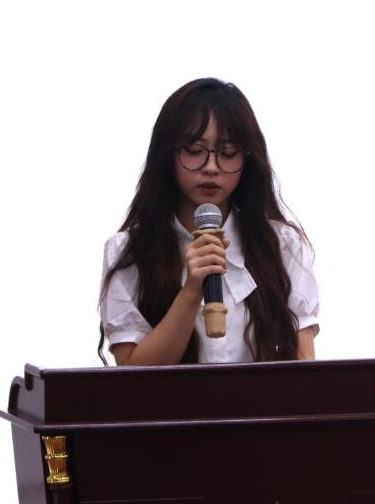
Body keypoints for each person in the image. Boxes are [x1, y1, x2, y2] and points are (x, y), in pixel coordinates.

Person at [98, 77, 319, 366]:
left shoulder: (283, 246)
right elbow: (131, 373)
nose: (211, 167)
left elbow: (304, 366)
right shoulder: (129, 252)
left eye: (228, 153)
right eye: (194, 151)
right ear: (167, 154)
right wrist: (191, 291)